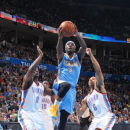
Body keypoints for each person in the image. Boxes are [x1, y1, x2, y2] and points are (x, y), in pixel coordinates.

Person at [50, 24, 87, 130]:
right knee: (66, 85)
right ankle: (54, 107)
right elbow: (58, 50)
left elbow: (84, 47)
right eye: (68, 44)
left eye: (72, 44)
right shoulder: (62, 57)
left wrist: (78, 35)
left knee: (62, 120)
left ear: (75, 48)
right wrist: (60, 38)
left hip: (71, 91)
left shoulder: (77, 58)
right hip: (60, 85)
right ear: (65, 48)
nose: (70, 45)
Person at [18, 46, 55, 130]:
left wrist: (62, 86)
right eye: (34, 70)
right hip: (26, 113)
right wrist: (40, 56)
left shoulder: (42, 86)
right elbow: (31, 70)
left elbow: (53, 93)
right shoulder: (27, 82)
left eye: (37, 70)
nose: (36, 70)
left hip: (38, 114)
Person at [80, 48, 116, 130]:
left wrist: (91, 55)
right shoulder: (87, 98)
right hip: (95, 119)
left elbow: (98, 70)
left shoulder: (99, 88)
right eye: (90, 79)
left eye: (93, 78)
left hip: (106, 116)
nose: (91, 79)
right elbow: (81, 112)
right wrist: (79, 109)